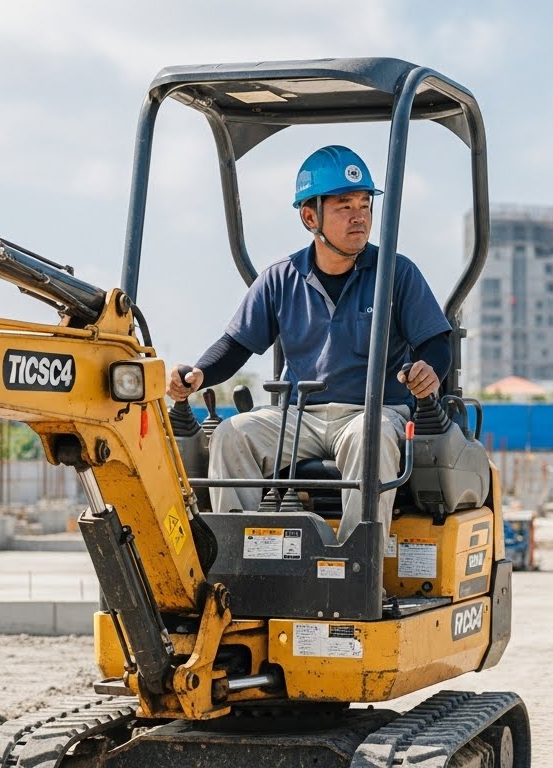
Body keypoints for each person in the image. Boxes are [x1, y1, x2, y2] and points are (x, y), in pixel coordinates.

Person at [166, 145, 452, 544]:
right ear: (309, 217)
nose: (359, 216)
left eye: (365, 204)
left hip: (373, 413)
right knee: (232, 434)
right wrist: (199, 374)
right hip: (299, 417)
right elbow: (235, 344)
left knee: (368, 438)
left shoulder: (396, 273)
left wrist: (429, 370)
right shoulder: (281, 278)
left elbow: (437, 344)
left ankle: (356, 564)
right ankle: (239, 557)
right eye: (344, 206)